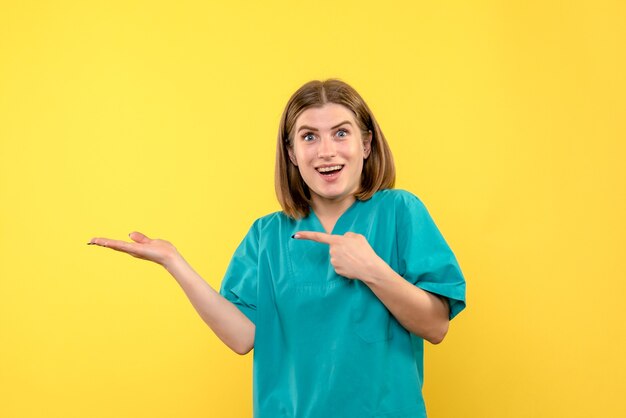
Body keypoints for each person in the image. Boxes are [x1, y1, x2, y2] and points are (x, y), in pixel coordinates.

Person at [89, 79, 467, 418]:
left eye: (340, 133)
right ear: (290, 153)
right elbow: (242, 337)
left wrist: (372, 269)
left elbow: (435, 326)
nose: (325, 151)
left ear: (366, 144)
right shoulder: (266, 235)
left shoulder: (400, 212)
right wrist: (174, 262)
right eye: (308, 137)